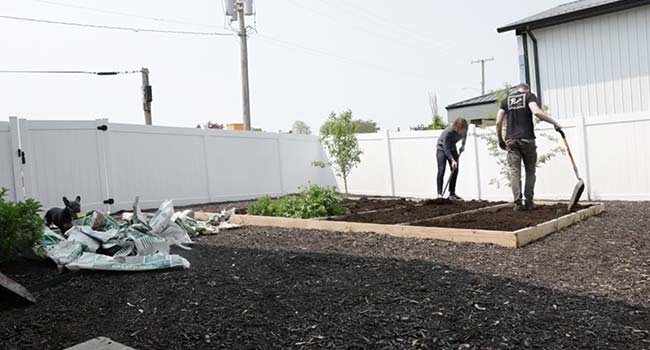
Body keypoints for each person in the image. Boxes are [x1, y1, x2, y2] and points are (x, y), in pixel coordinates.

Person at [496, 83, 562, 211]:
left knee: (515, 172)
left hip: (511, 140)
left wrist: (500, 140)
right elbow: (536, 112)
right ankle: (529, 202)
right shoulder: (529, 96)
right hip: (527, 139)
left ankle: (517, 203)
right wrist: (554, 122)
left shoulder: (506, 100)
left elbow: (498, 122)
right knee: (530, 171)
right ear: (527, 89)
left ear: (516, 90)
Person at [436, 118, 468, 200]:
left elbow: (465, 136)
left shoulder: (465, 129)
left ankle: (452, 193)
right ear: (456, 127)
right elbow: (446, 147)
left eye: (464, 130)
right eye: (461, 130)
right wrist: (452, 160)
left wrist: (463, 145)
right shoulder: (448, 132)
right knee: (441, 170)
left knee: (455, 170)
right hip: (442, 149)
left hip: (453, 148)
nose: (462, 132)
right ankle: (439, 194)